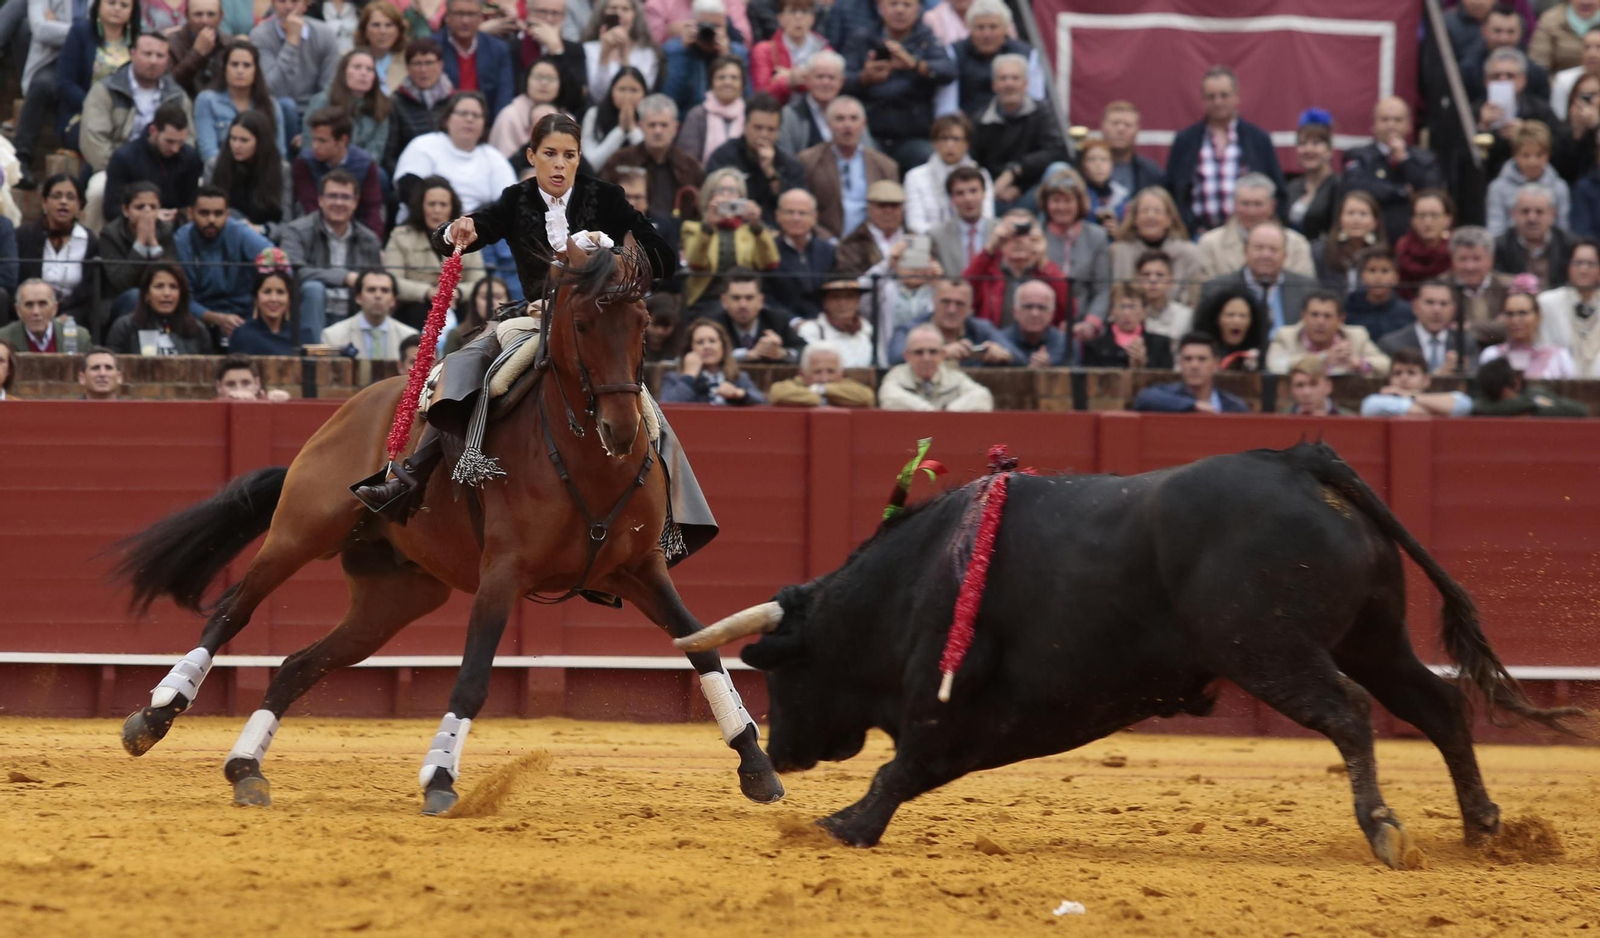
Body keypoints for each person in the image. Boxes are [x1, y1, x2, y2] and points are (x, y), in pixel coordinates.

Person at [354, 112, 676, 514]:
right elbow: (464, 232)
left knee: (645, 406)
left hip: (596, 324)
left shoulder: (606, 197)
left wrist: (609, 255)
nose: (559, 164)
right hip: (533, 319)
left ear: (579, 160)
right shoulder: (516, 199)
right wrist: (456, 230)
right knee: (463, 365)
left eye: (569, 155)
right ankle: (412, 476)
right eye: (550, 154)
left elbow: (663, 257)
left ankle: (674, 509)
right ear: (531, 155)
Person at [1163, 65, 1286, 236]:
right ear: (1202, 100)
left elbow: (1277, 191)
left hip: (1248, 235)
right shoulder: (1185, 141)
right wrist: (1187, 227)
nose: (1218, 102)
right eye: (1211, 97)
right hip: (1197, 235)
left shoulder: (1258, 139)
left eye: (1224, 95)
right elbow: (1172, 192)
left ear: (1237, 97)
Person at [840, 0, 954, 172]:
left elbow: (948, 71)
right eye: (893, 4)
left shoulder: (927, 39)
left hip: (914, 134)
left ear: (918, 9)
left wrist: (914, 65)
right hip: (870, 132)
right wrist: (864, 78)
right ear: (880, 7)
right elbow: (841, 80)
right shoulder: (862, 39)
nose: (900, 10)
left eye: (907, 5)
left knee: (931, 159)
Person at [281, 170, 386, 339]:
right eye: (332, 196)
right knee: (313, 289)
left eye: (345, 197)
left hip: (353, 311)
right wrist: (344, 277)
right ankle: (314, 356)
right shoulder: (297, 231)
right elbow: (293, 271)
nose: (338, 202)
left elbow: (377, 279)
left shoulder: (369, 239)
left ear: (355, 202)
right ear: (320, 200)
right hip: (308, 311)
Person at [81, 33, 195, 179]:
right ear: (132, 54)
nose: (153, 61)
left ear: (167, 60)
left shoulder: (178, 96)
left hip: (166, 172)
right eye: (147, 54)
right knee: (98, 189)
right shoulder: (106, 90)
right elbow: (93, 140)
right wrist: (121, 170)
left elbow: (188, 141)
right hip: (114, 171)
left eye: (160, 56)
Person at [384, 176, 488, 326]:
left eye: (443, 204)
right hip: (413, 310)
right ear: (421, 207)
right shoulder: (400, 236)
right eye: (431, 204)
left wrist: (457, 293)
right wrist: (427, 292)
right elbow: (391, 281)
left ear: (452, 208)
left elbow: (479, 281)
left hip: (457, 307)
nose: (437, 210)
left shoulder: (468, 235)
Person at [968, 53, 1067, 211]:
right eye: (1003, 78)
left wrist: (1015, 171)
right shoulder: (980, 120)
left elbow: (1056, 150)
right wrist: (998, 187)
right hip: (995, 195)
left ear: (1026, 84)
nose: (1009, 84)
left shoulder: (1043, 112)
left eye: (1015, 78)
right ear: (994, 85)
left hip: (1032, 192)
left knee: (1060, 170)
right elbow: (974, 163)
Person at [1340, 97, 1444, 243]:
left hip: (1413, 238)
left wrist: (1405, 161)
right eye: (1385, 120)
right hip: (1369, 238)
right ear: (1374, 125)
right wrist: (1401, 191)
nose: (1391, 125)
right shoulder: (1358, 155)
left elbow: (1431, 191)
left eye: (1397, 120)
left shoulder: (1426, 159)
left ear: (1409, 125)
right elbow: (1356, 187)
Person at [795, 96, 898, 240]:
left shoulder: (885, 166)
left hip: (870, 246)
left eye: (853, 118)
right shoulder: (808, 161)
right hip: (824, 243)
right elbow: (799, 209)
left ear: (863, 124)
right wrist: (827, 241)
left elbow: (893, 214)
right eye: (840, 119)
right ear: (828, 124)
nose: (847, 125)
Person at [176, 186, 275, 335]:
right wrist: (215, 318)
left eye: (218, 213)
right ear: (190, 213)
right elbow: (182, 298)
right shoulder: (181, 240)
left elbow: (279, 263)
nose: (211, 220)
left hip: (246, 314)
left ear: (228, 214)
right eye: (204, 213)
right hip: (200, 317)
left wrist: (260, 309)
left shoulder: (240, 232)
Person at [680, 168, 780, 308]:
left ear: (741, 197)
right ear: (710, 196)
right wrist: (708, 226)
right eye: (720, 191)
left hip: (745, 300)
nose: (726, 196)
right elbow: (695, 264)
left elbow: (770, 263)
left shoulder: (751, 231)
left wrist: (757, 226)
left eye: (732, 191)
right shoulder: (693, 228)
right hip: (707, 299)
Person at [1198, 222, 1322, 333]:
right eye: (1258, 248)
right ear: (1245, 252)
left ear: (1285, 256)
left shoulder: (1307, 289)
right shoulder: (1217, 289)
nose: (1265, 255)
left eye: (1273, 249)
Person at [16, 175, 102, 328]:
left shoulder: (90, 241)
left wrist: (69, 315)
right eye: (57, 196)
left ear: (79, 205)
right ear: (44, 202)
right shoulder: (24, 236)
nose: (63, 202)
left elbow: (90, 292)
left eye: (70, 197)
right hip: (29, 312)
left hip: (74, 316)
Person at [705, 92, 804, 225]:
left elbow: (797, 206)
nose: (764, 134)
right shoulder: (723, 156)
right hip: (733, 227)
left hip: (777, 235)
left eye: (771, 129)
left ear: (779, 131)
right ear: (745, 126)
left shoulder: (789, 164)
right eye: (758, 127)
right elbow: (710, 199)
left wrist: (770, 172)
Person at [599, 94, 706, 218]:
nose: (658, 131)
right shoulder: (619, 161)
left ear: (676, 128)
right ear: (641, 126)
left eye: (664, 125)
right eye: (652, 125)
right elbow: (603, 203)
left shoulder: (690, 167)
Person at [11, 0, 80, 189]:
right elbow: (41, 30)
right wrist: (81, 32)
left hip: (92, 62)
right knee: (41, 85)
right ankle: (21, 159)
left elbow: (106, 32)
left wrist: (58, 26)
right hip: (54, 60)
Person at [1196, 173, 1315, 281]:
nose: (1251, 211)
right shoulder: (1210, 243)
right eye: (1245, 203)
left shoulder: (1297, 244)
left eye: (1258, 204)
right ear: (1235, 205)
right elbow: (1204, 294)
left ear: (1272, 206)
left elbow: (1303, 292)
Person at [964, 209, 1070, 329]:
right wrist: (990, 248)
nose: (1019, 240)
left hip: (1040, 344)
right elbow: (964, 290)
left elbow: (1068, 308)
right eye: (1011, 234)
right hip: (993, 342)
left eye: (1025, 233)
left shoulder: (1045, 270)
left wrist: (1042, 260)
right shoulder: (988, 269)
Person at [103, 103, 204, 226]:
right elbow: (111, 208)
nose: (175, 149)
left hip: (177, 224)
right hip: (134, 224)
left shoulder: (190, 157)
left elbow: (190, 202)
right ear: (153, 130)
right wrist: (150, 215)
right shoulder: (125, 157)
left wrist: (179, 214)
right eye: (169, 141)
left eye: (180, 142)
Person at [56, 0, 137, 154]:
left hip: (127, 119)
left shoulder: (138, 40)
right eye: (111, 3)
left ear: (132, 10)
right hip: (83, 115)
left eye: (124, 5)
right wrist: (96, 108)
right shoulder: (80, 33)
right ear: (98, 5)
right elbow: (64, 84)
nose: (117, 9)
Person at [295, 106, 388, 239]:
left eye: (322, 141)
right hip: (317, 233)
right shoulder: (304, 163)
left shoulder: (365, 164)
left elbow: (372, 210)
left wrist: (371, 244)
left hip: (356, 232)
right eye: (313, 139)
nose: (315, 146)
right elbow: (309, 206)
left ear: (343, 140)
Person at [1474, 47, 1565, 181]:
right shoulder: (1474, 111)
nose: (1503, 80)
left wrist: (1527, 134)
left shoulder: (1540, 110)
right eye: (1496, 76)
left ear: (1523, 80)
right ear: (1486, 81)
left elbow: (1563, 150)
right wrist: (1482, 128)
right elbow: (1461, 158)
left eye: (1510, 76)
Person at [204, 111, 296, 240]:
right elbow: (206, 213)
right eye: (233, 138)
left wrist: (263, 229)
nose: (236, 145)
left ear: (260, 142)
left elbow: (287, 222)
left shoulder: (282, 170)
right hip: (225, 235)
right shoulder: (214, 166)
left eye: (244, 140)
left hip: (266, 239)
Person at [888, 277, 1020, 367]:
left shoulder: (981, 328)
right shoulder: (912, 329)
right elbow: (895, 359)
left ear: (970, 308)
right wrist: (939, 354)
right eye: (945, 302)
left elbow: (1021, 357)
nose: (952, 310)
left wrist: (1004, 355)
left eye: (959, 304)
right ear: (933, 302)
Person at [195, 40, 289, 163]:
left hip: (263, 175)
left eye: (246, 65)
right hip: (222, 173)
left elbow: (279, 153)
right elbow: (208, 153)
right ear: (224, 69)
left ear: (256, 70)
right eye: (234, 64)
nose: (240, 71)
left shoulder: (271, 104)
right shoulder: (207, 100)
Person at [1037, 168, 1110, 325]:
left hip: (1084, 324)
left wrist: (1091, 323)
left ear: (1079, 203)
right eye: (1056, 200)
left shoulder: (1097, 236)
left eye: (1068, 201)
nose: (1062, 207)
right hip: (1043, 323)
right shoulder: (1036, 235)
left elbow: (1103, 290)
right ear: (1046, 203)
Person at [949, 0, 1045, 119]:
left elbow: (1036, 98)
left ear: (1005, 28)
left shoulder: (1026, 54)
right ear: (969, 28)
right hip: (969, 126)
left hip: (1016, 126)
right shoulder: (955, 52)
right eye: (980, 27)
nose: (987, 34)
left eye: (993, 27)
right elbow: (948, 104)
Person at [1110, 188, 1204, 307]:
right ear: (1135, 219)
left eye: (1157, 211)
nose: (1150, 216)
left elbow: (1194, 300)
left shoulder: (1189, 253)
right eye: (1144, 211)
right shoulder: (1118, 252)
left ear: (1169, 219)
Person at [902, 113, 992, 236]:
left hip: (972, 241)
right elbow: (914, 224)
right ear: (934, 143)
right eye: (944, 138)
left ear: (967, 144)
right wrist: (947, 240)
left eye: (956, 139)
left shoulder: (982, 175)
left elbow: (987, 218)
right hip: (931, 245)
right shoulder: (914, 177)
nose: (950, 145)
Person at [1265, 290, 1390, 377]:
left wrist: (1359, 363)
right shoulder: (1286, 335)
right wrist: (1323, 358)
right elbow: (1274, 366)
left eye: (1327, 316)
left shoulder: (1357, 335)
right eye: (1314, 315)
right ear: (1303, 316)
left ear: (1340, 320)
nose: (1320, 322)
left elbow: (1386, 364)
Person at [99, 183, 180, 314]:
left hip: (157, 294)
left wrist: (153, 243)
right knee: (135, 296)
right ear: (126, 210)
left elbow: (171, 276)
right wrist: (141, 243)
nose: (146, 212)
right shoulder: (110, 235)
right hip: (119, 300)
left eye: (153, 207)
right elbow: (121, 282)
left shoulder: (166, 231)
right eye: (140, 207)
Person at [660, 0, 749, 118]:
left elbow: (746, 100)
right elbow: (669, 99)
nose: (710, 32)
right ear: (693, 25)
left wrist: (727, 58)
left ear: (726, 26)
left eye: (717, 26)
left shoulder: (738, 53)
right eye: (705, 26)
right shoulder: (674, 50)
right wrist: (683, 52)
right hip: (686, 121)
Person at [302, 49, 394, 164]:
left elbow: (376, 149)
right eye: (357, 67)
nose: (364, 73)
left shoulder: (381, 105)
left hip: (362, 168)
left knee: (381, 176)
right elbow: (309, 143)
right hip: (322, 165)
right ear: (343, 72)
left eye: (369, 69)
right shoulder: (323, 100)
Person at [878, 322, 994, 411]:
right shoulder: (896, 376)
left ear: (942, 355)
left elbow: (982, 396)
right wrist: (930, 413)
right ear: (907, 356)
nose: (926, 358)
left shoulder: (954, 378)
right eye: (919, 352)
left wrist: (948, 413)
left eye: (933, 352)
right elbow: (889, 396)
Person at [250, 0, 341, 112]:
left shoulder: (326, 35)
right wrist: (291, 42)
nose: (288, 7)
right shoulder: (260, 36)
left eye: (294, 1)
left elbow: (328, 87)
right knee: (286, 105)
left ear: (305, 5)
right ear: (273, 4)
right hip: (278, 111)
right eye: (282, 1)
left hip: (315, 111)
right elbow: (272, 88)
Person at [1480, 275, 1578, 378]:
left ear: (1538, 316)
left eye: (1522, 313)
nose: (1515, 320)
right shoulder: (1492, 355)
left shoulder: (1559, 357)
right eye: (1510, 314)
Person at [106, 264, 217, 355]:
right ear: (146, 294)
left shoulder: (198, 330)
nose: (167, 293)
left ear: (181, 294)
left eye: (173, 287)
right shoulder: (124, 327)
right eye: (159, 286)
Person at [1377, 279, 1481, 375]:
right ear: (1415, 307)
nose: (1436, 310)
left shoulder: (1465, 343)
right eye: (1429, 302)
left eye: (1443, 304)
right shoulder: (1392, 345)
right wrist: (1438, 375)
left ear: (1453, 310)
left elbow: (1473, 382)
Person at [1486, 122, 1571, 237]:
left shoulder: (1560, 188)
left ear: (1548, 155)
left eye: (1539, 155)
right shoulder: (1498, 188)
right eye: (1526, 155)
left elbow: (1563, 230)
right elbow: (1495, 229)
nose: (1533, 161)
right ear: (1515, 155)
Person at [777, 49, 868, 156]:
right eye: (819, 76)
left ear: (841, 81)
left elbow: (867, 154)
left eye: (831, 77)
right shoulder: (789, 115)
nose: (825, 82)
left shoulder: (853, 113)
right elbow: (786, 160)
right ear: (807, 79)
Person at [434, 0, 517, 116]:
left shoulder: (498, 49)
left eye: (471, 14)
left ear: (480, 18)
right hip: (443, 122)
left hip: (486, 124)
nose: (465, 20)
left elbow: (504, 96)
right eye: (459, 14)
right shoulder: (433, 47)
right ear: (447, 17)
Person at [1132, 332, 1250, 413]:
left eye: (1202, 359)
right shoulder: (1166, 395)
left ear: (1215, 364)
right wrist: (1193, 405)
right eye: (1188, 359)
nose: (1194, 366)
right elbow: (1144, 398)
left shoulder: (1233, 406)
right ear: (1180, 363)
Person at [658, 317, 767, 404]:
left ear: (723, 347)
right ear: (690, 349)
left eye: (712, 341)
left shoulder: (739, 378)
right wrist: (688, 377)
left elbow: (762, 402)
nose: (707, 346)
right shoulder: (674, 378)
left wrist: (739, 394)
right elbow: (666, 405)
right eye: (700, 342)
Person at [767, 188, 835, 319]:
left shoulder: (828, 251)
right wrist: (793, 321)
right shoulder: (767, 252)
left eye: (802, 213)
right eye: (790, 212)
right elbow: (767, 298)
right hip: (783, 326)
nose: (796, 218)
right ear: (778, 216)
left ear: (814, 217)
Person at [321, 269, 419, 359]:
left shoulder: (409, 336)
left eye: (385, 290)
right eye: (371, 290)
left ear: (393, 300)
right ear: (358, 297)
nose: (378, 295)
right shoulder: (333, 336)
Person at [1537, 237, 1600, 375]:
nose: (1583, 269)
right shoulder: (1547, 302)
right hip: (1559, 382)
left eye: (1590, 263)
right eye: (1578, 263)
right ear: (1569, 268)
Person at [711, 269, 803, 362]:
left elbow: (806, 352)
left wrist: (782, 353)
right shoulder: (713, 325)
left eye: (749, 298)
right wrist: (746, 355)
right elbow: (700, 355)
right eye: (736, 298)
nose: (743, 305)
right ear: (724, 301)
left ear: (761, 301)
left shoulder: (777, 320)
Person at [1494, 184, 1576, 288]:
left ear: (1552, 215)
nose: (1532, 218)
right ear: (1513, 214)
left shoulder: (1570, 246)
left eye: (1539, 212)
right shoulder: (1499, 248)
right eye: (1525, 211)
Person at [749, 0, 828, 106]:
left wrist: (787, 77)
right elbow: (761, 97)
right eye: (792, 11)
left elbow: (830, 88)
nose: (798, 17)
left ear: (812, 18)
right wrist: (787, 82)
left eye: (804, 11)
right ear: (780, 18)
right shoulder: (764, 51)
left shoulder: (824, 50)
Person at [389, 40, 456, 162]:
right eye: (417, 63)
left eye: (429, 63)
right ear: (408, 67)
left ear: (441, 65)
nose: (423, 70)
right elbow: (390, 154)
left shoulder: (455, 101)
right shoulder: (396, 102)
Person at [1311, 190, 1389, 294]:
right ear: (1340, 219)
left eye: (1363, 214)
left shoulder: (1384, 255)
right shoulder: (1321, 251)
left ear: (1375, 222)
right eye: (1350, 213)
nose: (1356, 220)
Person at [582, 0, 660, 103]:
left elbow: (639, 94)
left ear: (635, 15)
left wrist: (625, 56)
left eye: (625, 9)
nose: (619, 14)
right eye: (613, 8)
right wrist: (605, 53)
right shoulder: (587, 49)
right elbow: (598, 96)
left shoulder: (647, 54)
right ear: (602, 13)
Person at [491, 61, 574, 158]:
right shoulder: (509, 116)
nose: (544, 83)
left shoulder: (568, 119)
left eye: (550, 79)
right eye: (538, 77)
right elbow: (503, 161)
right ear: (526, 80)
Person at [676, 54, 749, 164]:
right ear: (711, 83)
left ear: (742, 85)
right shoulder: (697, 115)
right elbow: (688, 160)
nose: (727, 82)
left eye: (734, 78)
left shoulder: (750, 115)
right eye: (721, 77)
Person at [1081, 282, 1170, 370]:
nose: (1126, 313)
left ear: (1143, 311)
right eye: (1122, 307)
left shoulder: (1159, 344)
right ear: (1112, 311)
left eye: (1132, 307)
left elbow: (1167, 379)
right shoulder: (1094, 346)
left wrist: (1144, 364)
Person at [929, 165, 996, 281]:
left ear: (984, 194)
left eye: (973, 191)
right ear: (951, 199)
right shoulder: (937, 235)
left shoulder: (1001, 231)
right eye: (960, 193)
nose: (968, 199)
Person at [1449, 225, 1513, 337]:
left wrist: (1468, 327)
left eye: (1476, 259)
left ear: (1491, 260)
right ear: (1452, 259)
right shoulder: (1440, 287)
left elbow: (1512, 327)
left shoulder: (1509, 286)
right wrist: (1493, 326)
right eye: (1463, 259)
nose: (1470, 267)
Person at [1471, 356, 1588, 416]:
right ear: (1516, 383)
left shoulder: (1535, 395)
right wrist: (1532, 403)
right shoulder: (1534, 398)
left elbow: (1579, 410)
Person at [768, 340, 875, 406]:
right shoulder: (795, 384)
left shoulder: (846, 384)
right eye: (817, 372)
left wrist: (821, 389)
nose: (824, 378)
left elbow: (867, 397)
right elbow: (777, 394)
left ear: (841, 373)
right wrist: (825, 399)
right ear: (802, 373)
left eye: (831, 371)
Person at [579, 68, 649, 168]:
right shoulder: (594, 114)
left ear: (644, 93)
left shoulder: (651, 117)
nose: (627, 96)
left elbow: (651, 163)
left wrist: (633, 128)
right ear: (612, 90)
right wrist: (620, 130)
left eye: (634, 90)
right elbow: (591, 164)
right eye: (622, 89)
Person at [1286, 112, 1339, 241]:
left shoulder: (1338, 185)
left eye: (1316, 143)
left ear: (1329, 150)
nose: (1308, 149)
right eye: (1303, 143)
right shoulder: (1292, 186)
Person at [795, 278, 872, 366]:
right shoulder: (811, 330)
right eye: (835, 297)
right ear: (825, 302)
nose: (842, 303)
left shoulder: (867, 328)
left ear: (858, 301)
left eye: (849, 297)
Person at [0, 279, 91, 353]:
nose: (36, 312)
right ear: (18, 310)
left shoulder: (78, 337)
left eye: (42, 304)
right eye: (29, 305)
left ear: (55, 308)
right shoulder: (4, 339)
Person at [1394, 189, 1455, 298]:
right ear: (1412, 220)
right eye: (1421, 215)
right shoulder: (1402, 248)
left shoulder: (1457, 250)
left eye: (1434, 215)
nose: (1427, 221)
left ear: (1448, 219)